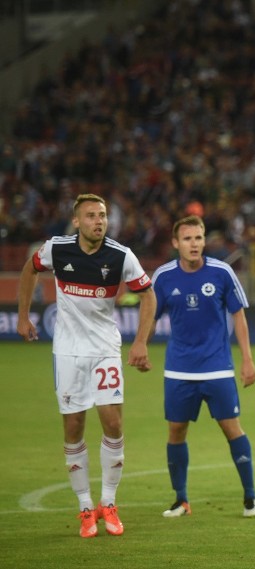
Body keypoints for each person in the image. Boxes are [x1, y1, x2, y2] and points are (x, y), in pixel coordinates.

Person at [16, 193, 155, 538]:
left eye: (103, 215)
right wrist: (22, 316)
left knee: (112, 421)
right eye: (91, 215)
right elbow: (29, 268)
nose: (99, 221)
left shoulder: (121, 256)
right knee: (74, 426)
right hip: (67, 352)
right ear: (76, 221)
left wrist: (140, 341)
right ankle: (84, 506)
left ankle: (108, 502)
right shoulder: (57, 249)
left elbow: (148, 295)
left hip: (105, 349)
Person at [150, 215, 255, 518]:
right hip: (178, 369)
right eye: (187, 239)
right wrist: (140, 345)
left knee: (231, 428)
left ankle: (250, 497)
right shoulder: (163, 277)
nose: (194, 244)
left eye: (198, 238)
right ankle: (181, 500)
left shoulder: (222, 272)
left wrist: (247, 359)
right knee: (176, 431)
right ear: (176, 244)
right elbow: (151, 314)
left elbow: (238, 315)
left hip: (218, 367)